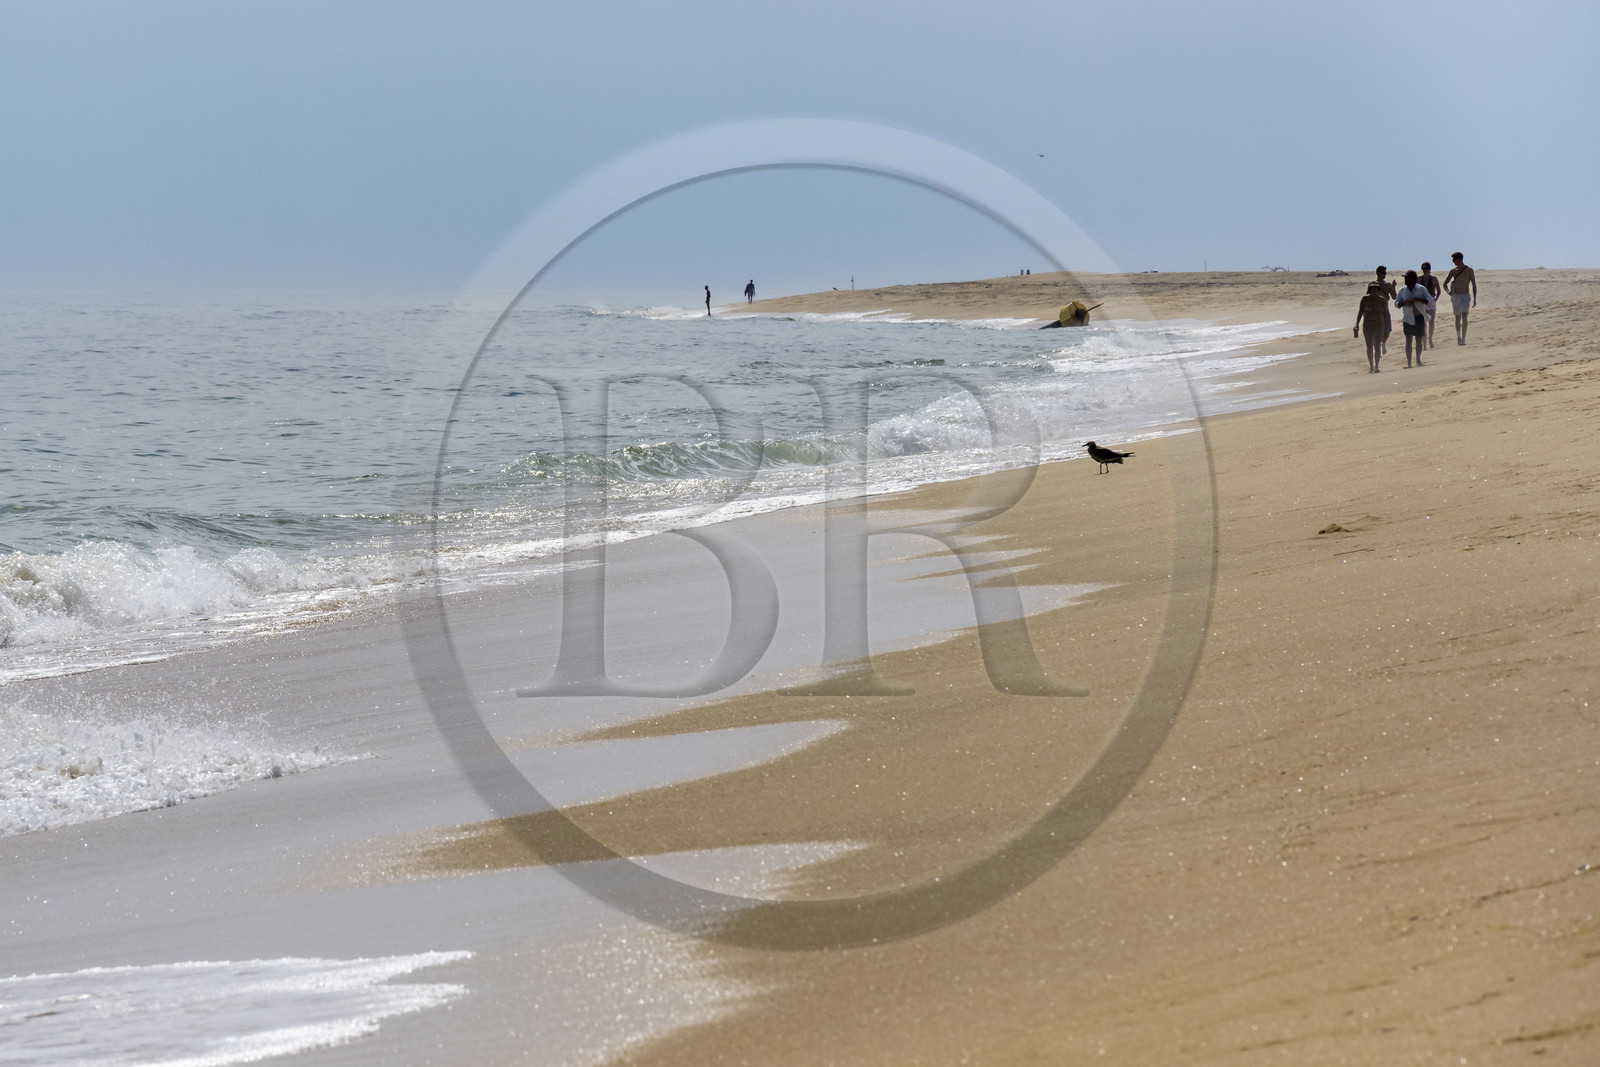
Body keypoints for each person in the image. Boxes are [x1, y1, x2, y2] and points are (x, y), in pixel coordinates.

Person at [1395, 269, 1431, 368]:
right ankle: (1409, 363)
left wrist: (1418, 299)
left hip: (1419, 317)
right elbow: (1396, 303)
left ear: (1413, 279)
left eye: (1407, 278)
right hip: (1407, 318)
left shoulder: (1421, 289)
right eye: (1405, 278)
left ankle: (1418, 360)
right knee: (1408, 341)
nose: (1406, 280)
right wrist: (1403, 303)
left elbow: (1429, 301)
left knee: (1419, 341)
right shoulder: (1402, 290)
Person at [1443, 252, 1477, 345]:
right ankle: (1458, 338)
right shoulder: (1453, 271)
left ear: (1459, 259)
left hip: (1465, 295)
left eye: (1454, 260)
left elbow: (1473, 284)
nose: (1453, 262)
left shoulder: (1469, 270)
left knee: (1465, 316)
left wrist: (1475, 298)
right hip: (1456, 296)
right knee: (1457, 317)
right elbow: (1445, 283)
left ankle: (1464, 339)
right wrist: (1448, 292)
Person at [1353, 283, 1388, 372]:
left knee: (1377, 345)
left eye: (1376, 289)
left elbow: (1386, 314)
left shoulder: (1382, 300)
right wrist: (1356, 324)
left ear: (1378, 290)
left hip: (1379, 324)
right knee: (1369, 346)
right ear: (1369, 290)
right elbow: (1360, 312)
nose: (1374, 290)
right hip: (1367, 325)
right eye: (1372, 288)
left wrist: (1387, 327)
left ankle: (1376, 366)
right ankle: (1371, 366)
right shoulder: (1365, 299)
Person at [1418, 261, 1443, 349]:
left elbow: (1439, 290)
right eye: (1423, 269)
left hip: (1431, 300)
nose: (1425, 270)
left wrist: (1435, 299)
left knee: (1431, 322)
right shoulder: (1419, 279)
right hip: (1422, 301)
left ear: (1429, 269)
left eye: (1426, 268)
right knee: (1423, 323)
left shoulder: (1433, 279)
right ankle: (1424, 344)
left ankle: (1430, 340)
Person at [1373, 266, 1397, 354]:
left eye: (1385, 273)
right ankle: (1378, 344)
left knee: (1388, 329)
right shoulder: (1373, 285)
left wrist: (1393, 287)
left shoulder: (1388, 285)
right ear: (1378, 273)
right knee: (1377, 329)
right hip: (1375, 311)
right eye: (1383, 273)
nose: (1384, 275)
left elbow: (1395, 297)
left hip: (1385, 310)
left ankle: (1383, 343)